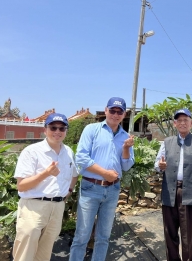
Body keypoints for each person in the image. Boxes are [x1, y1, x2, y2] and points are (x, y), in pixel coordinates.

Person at [69, 97, 135, 261]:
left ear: (124, 114)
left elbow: (126, 166)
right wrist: (105, 173)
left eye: (119, 112)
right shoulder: (91, 129)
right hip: (91, 187)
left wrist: (126, 148)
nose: (115, 114)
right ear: (106, 110)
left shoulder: (126, 136)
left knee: (104, 236)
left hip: (112, 190)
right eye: (112, 110)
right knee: (82, 236)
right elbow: (81, 158)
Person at [13, 113, 79, 261]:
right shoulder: (31, 152)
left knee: (44, 253)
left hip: (57, 208)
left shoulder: (68, 152)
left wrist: (68, 191)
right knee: (25, 254)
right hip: (34, 207)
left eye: (62, 128)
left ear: (66, 131)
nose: (57, 131)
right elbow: (21, 186)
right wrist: (46, 173)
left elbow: (74, 174)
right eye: (53, 127)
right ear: (45, 130)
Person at [154, 108, 192, 261]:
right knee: (169, 232)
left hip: (190, 192)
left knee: (189, 235)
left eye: (186, 120)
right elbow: (157, 165)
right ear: (175, 123)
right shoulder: (167, 142)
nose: (183, 123)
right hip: (169, 191)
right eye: (179, 120)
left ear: (191, 123)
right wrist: (161, 166)